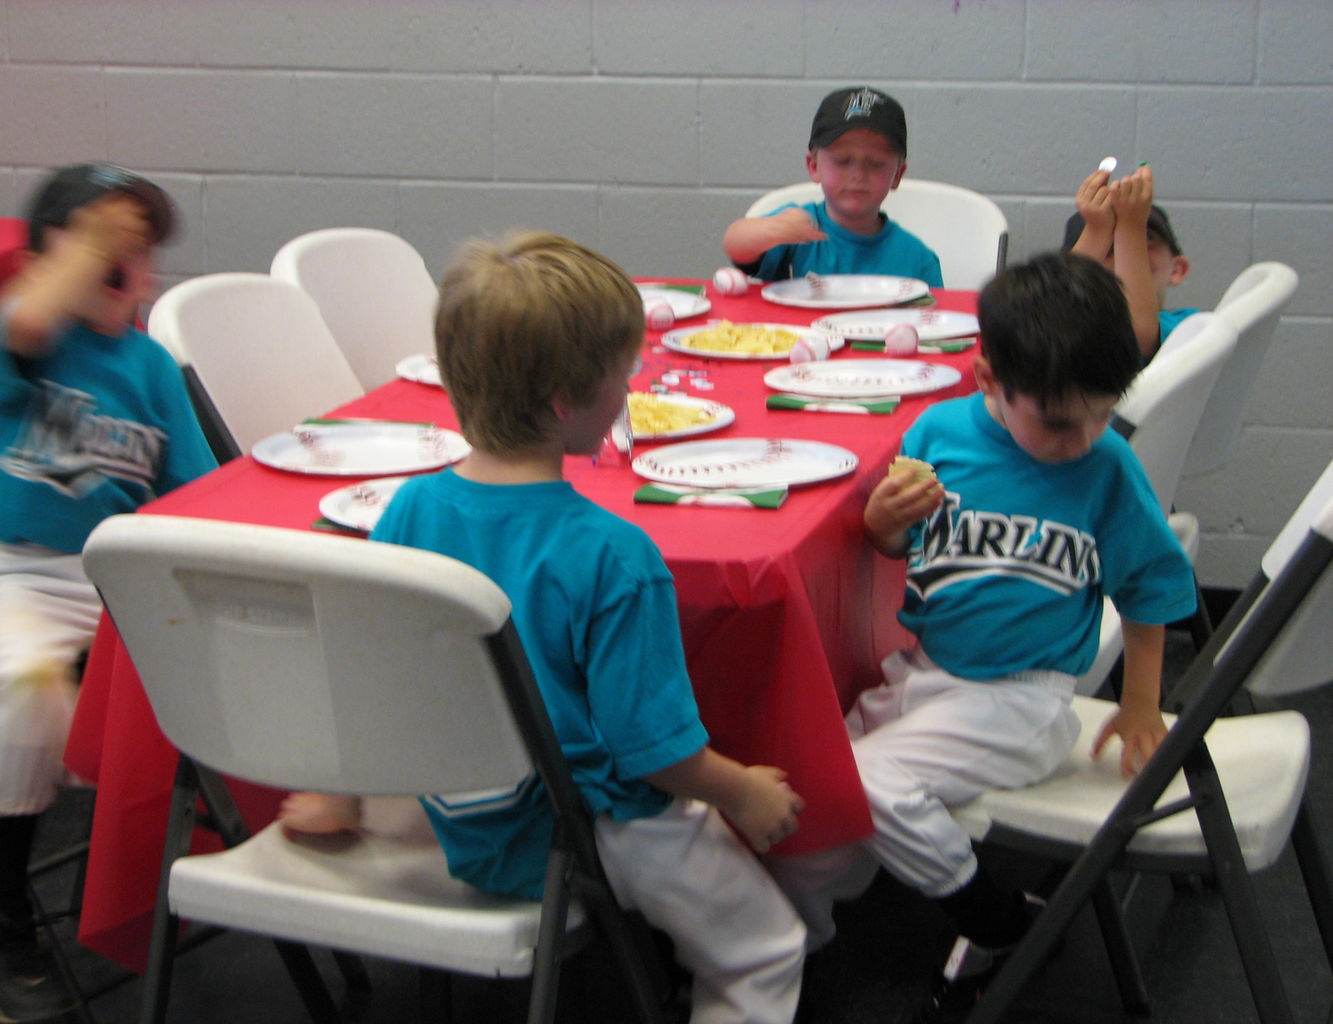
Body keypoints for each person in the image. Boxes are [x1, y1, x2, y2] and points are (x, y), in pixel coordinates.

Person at [281, 230, 808, 1024]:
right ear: (567, 402)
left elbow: (370, 668)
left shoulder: (408, 509)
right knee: (768, 949)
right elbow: (655, 755)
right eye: (623, 377)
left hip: (465, 818)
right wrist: (743, 791)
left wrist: (339, 790)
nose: (628, 395)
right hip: (583, 830)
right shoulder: (613, 556)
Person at [772, 252, 1196, 1023]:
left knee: (863, 781)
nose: (1085, 437)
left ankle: (998, 923)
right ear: (987, 378)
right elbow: (891, 546)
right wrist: (885, 520)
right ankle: (788, 944)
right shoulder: (937, 431)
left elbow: (1152, 587)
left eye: (1104, 412)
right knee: (808, 783)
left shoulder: (1104, 468)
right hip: (924, 671)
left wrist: (1140, 704)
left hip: (1021, 698)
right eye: (1061, 421)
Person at [0, 163, 217, 1022]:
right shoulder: (27, 338)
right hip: (10, 567)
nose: (124, 268)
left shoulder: (150, 367)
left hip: (108, 579)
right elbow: (32, 308)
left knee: (196, 661)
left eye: (137, 254)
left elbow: (197, 498)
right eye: (105, 251)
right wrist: (81, 255)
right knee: (26, 689)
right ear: (50, 259)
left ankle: (166, 872)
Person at [722, 86, 943, 286]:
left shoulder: (918, 260)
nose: (858, 175)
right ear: (813, 166)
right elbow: (735, 243)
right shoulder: (798, 228)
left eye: (875, 164)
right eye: (842, 161)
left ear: (898, 175)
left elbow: (935, 322)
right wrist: (774, 230)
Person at [1064, 163, 1195, 360]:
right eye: (1106, 247)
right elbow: (1055, 310)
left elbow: (1136, 338)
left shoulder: (1188, 326)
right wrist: (1097, 229)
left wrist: (1132, 226)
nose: (1122, 252)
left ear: (1178, 269)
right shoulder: (1056, 331)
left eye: (1147, 238)